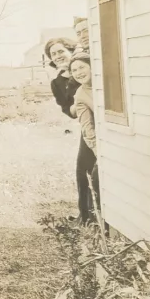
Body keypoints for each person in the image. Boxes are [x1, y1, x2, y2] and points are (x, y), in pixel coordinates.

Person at [44, 37, 94, 225]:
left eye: (60, 51)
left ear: (71, 51)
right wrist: (80, 103)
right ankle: (85, 216)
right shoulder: (57, 82)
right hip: (86, 123)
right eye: (53, 54)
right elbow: (69, 111)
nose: (57, 56)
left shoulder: (86, 67)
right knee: (83, 170)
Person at [69, 52, 100, 215]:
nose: (79, 72)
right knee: (95, 176)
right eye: (74, 70)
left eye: (82, 67)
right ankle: (94, 217)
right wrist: (98, 151)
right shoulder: (80, 94)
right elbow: (87, 128)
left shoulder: (106, 81)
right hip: (103, 140)